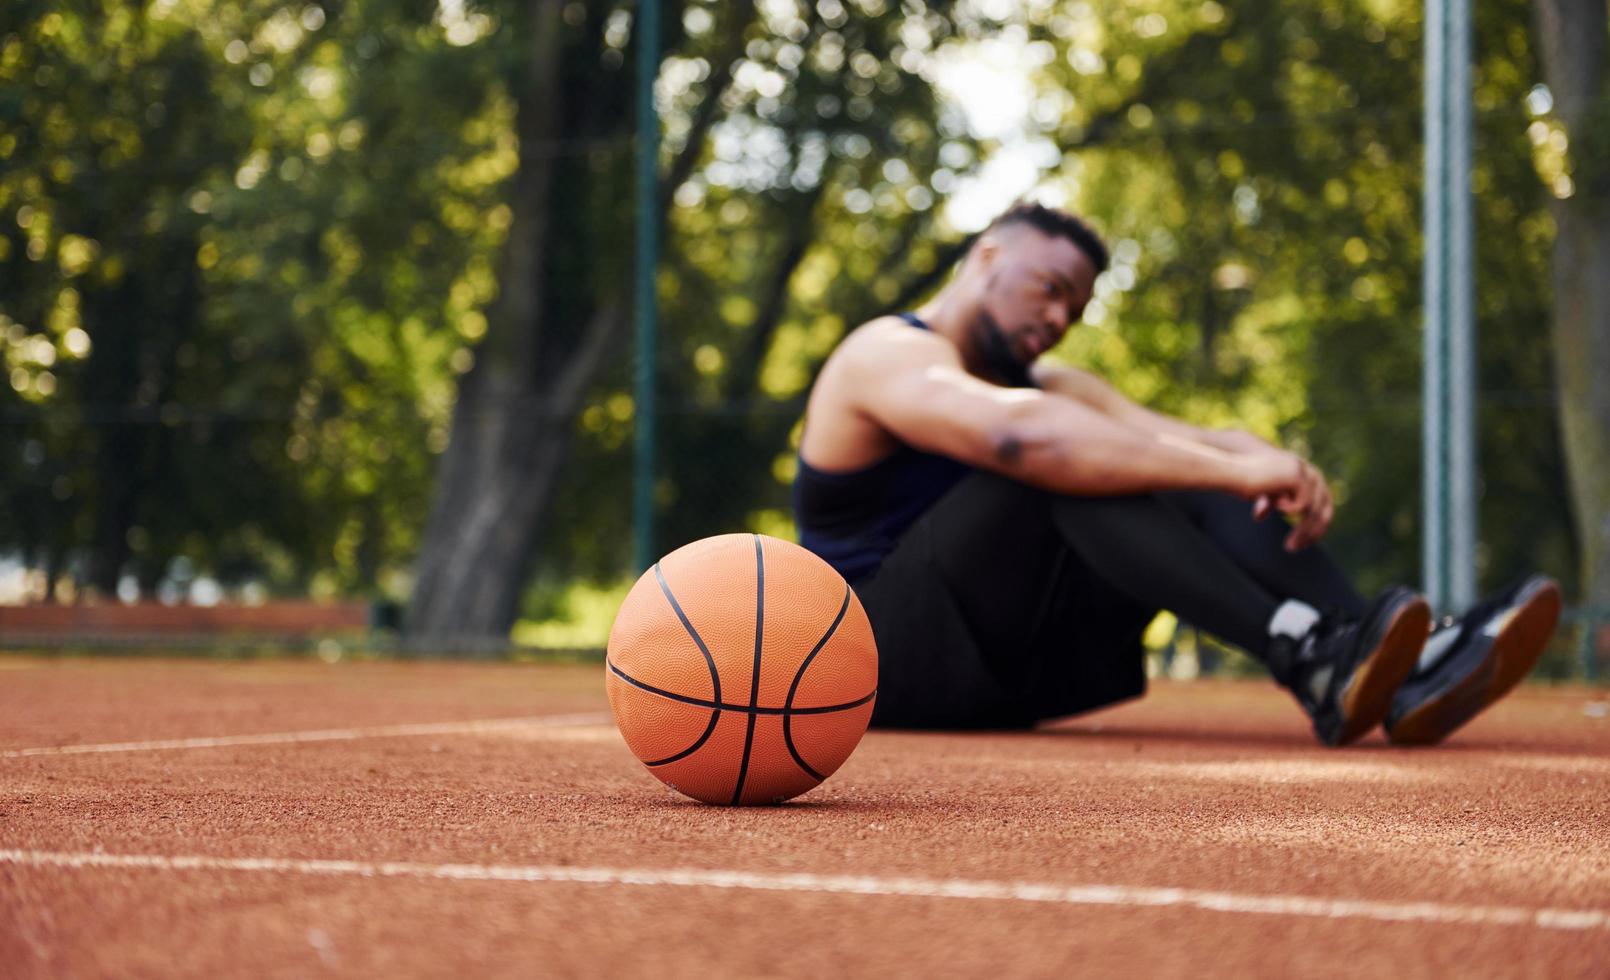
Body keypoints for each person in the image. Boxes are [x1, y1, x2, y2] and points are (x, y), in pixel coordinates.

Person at [792, 202, 1561, 746]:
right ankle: (1305, 650)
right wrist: (1222, 469)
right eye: (1051, 290)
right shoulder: (884, 355)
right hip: (879, 666)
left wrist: (1259, 460)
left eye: (1076, 310)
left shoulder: (1047, 383)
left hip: (1010, 670)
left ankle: (1375, 657)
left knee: (1147, 460)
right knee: (1067, 460)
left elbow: (1183, 441)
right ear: (988, 257)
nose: (1060, 319)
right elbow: (1020, 440)